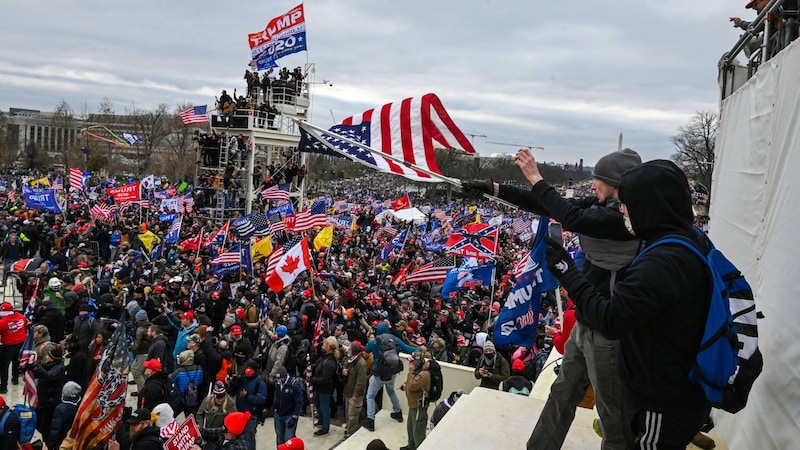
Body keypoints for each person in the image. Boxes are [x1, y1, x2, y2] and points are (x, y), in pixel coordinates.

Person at [463, 147, 642, 450]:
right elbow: (547, 204)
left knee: (614, 420)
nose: (593, 184)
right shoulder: (603, 205)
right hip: (585, 323)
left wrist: (535, 175)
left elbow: (568, 215)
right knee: (560, 398)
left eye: (598, 179)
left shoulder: (624, 218)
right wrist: (494, 188)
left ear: (615, 185)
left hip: (609, 334)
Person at [542, 160, 713, 448]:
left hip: (663, 398)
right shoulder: (689, 240)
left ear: (649, 205)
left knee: (620, 435)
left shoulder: (662, 262)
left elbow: (611, 320)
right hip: (676, 388)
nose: (621, 210)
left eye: (627, 203)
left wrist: (567, 271)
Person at [362, 322, 418, 432]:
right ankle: (398, 413)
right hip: (393, 372)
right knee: (391, 390)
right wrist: (420, 350)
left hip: (380, 374)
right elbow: (407, 348)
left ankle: (370, 420)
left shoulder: (375, 342)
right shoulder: (395, 339)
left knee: (370, 396)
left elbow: (366, 349)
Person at [230, 359, 266, 449]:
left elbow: (261, 399)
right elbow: (231, 392)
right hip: (240, 415)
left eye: (250, 368)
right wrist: (232, 383)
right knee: (239, 440)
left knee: (249, 440)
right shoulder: (242, 379)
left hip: (251, 416)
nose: (248, 370)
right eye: (247, 368)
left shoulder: (260, 382)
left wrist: (248, 396)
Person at [399, 350, 431, 450]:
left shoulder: (424, 375)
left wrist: (410, 372)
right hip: (412, 406)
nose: (410, 364)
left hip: (419, 408)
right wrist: (405, 384)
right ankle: (411, 446)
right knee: (410, 428)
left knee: (418, 433)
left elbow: (413, 385)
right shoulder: (417, 372)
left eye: (412, 362)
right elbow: (411, 381)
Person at [33, 346, 66, 437]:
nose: (46, 357)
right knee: (38, 422)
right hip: (42, 399)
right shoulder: (47, 365)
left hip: (50, 402)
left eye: (48, 356)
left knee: (45, 425)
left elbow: (48, 375)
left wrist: (37, 367)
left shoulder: (60, 368)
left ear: (53, 358)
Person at [310, 336, 339, 436]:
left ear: (328, 348)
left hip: (325, 389)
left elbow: (325, 379)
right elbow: (318, 365)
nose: (321, 347)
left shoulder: (330, 362)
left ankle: (325, 428)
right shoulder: (324, 358)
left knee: (324, 408)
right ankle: (321, 420)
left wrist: (312, 380)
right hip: (319, 388)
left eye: (323, 345)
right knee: (317, 404)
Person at [197, 381, 237, 449]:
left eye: (222, 397)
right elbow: (199, 414)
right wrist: (201, 427)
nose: (220, 400)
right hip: (208, 435)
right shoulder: (207, 401)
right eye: (218, 397)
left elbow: (234, 422)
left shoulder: (230, 405)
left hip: (221, 437)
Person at [272, 366, 304, 447]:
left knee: (288, 439)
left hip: (290, 415)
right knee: (279, 438)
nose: (279, 380)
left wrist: (295, 416)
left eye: (280, 378)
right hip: (279, 414)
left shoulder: (294, 385)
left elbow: (299, 401)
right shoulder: (277, 383)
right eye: (277, 378)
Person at [342, 341, 368, 436]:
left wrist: (356, 395)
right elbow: (346, 366)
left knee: (353, 416)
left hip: (354, 395)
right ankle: (349, 429)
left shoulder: (361, 363)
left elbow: (361, 382)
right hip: (348, 391)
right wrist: (344, 370)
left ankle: (351, 433)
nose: (347, 350)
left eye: (349, 349)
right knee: (348, 414)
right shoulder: (350, 360)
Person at [47, 381, 82, 450]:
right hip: (79, 440)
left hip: (64, 443)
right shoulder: (82, 404)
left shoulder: (60, 409)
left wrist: (49, 445)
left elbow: (55, 430)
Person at [0, 302, 26, 393]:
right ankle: (15, 379)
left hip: (8, 345)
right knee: (16, 362)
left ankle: (3, 386)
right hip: (21, 343)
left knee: (4, 366)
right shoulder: (21, 317)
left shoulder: (2, 322)